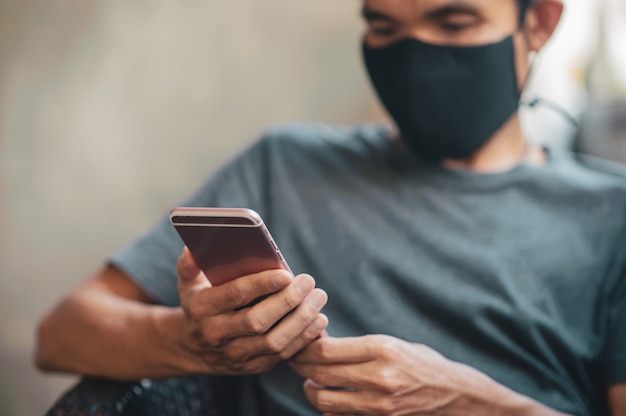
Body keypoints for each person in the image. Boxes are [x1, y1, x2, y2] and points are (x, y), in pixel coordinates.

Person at [35, 0, 626, 415]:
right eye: (385, 27)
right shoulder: (285, 165)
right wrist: (193, 342)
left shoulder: (610, 214)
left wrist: (474, 407)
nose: (418, 57)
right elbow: (62, 335)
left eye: (454, 20)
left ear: (540, 20)